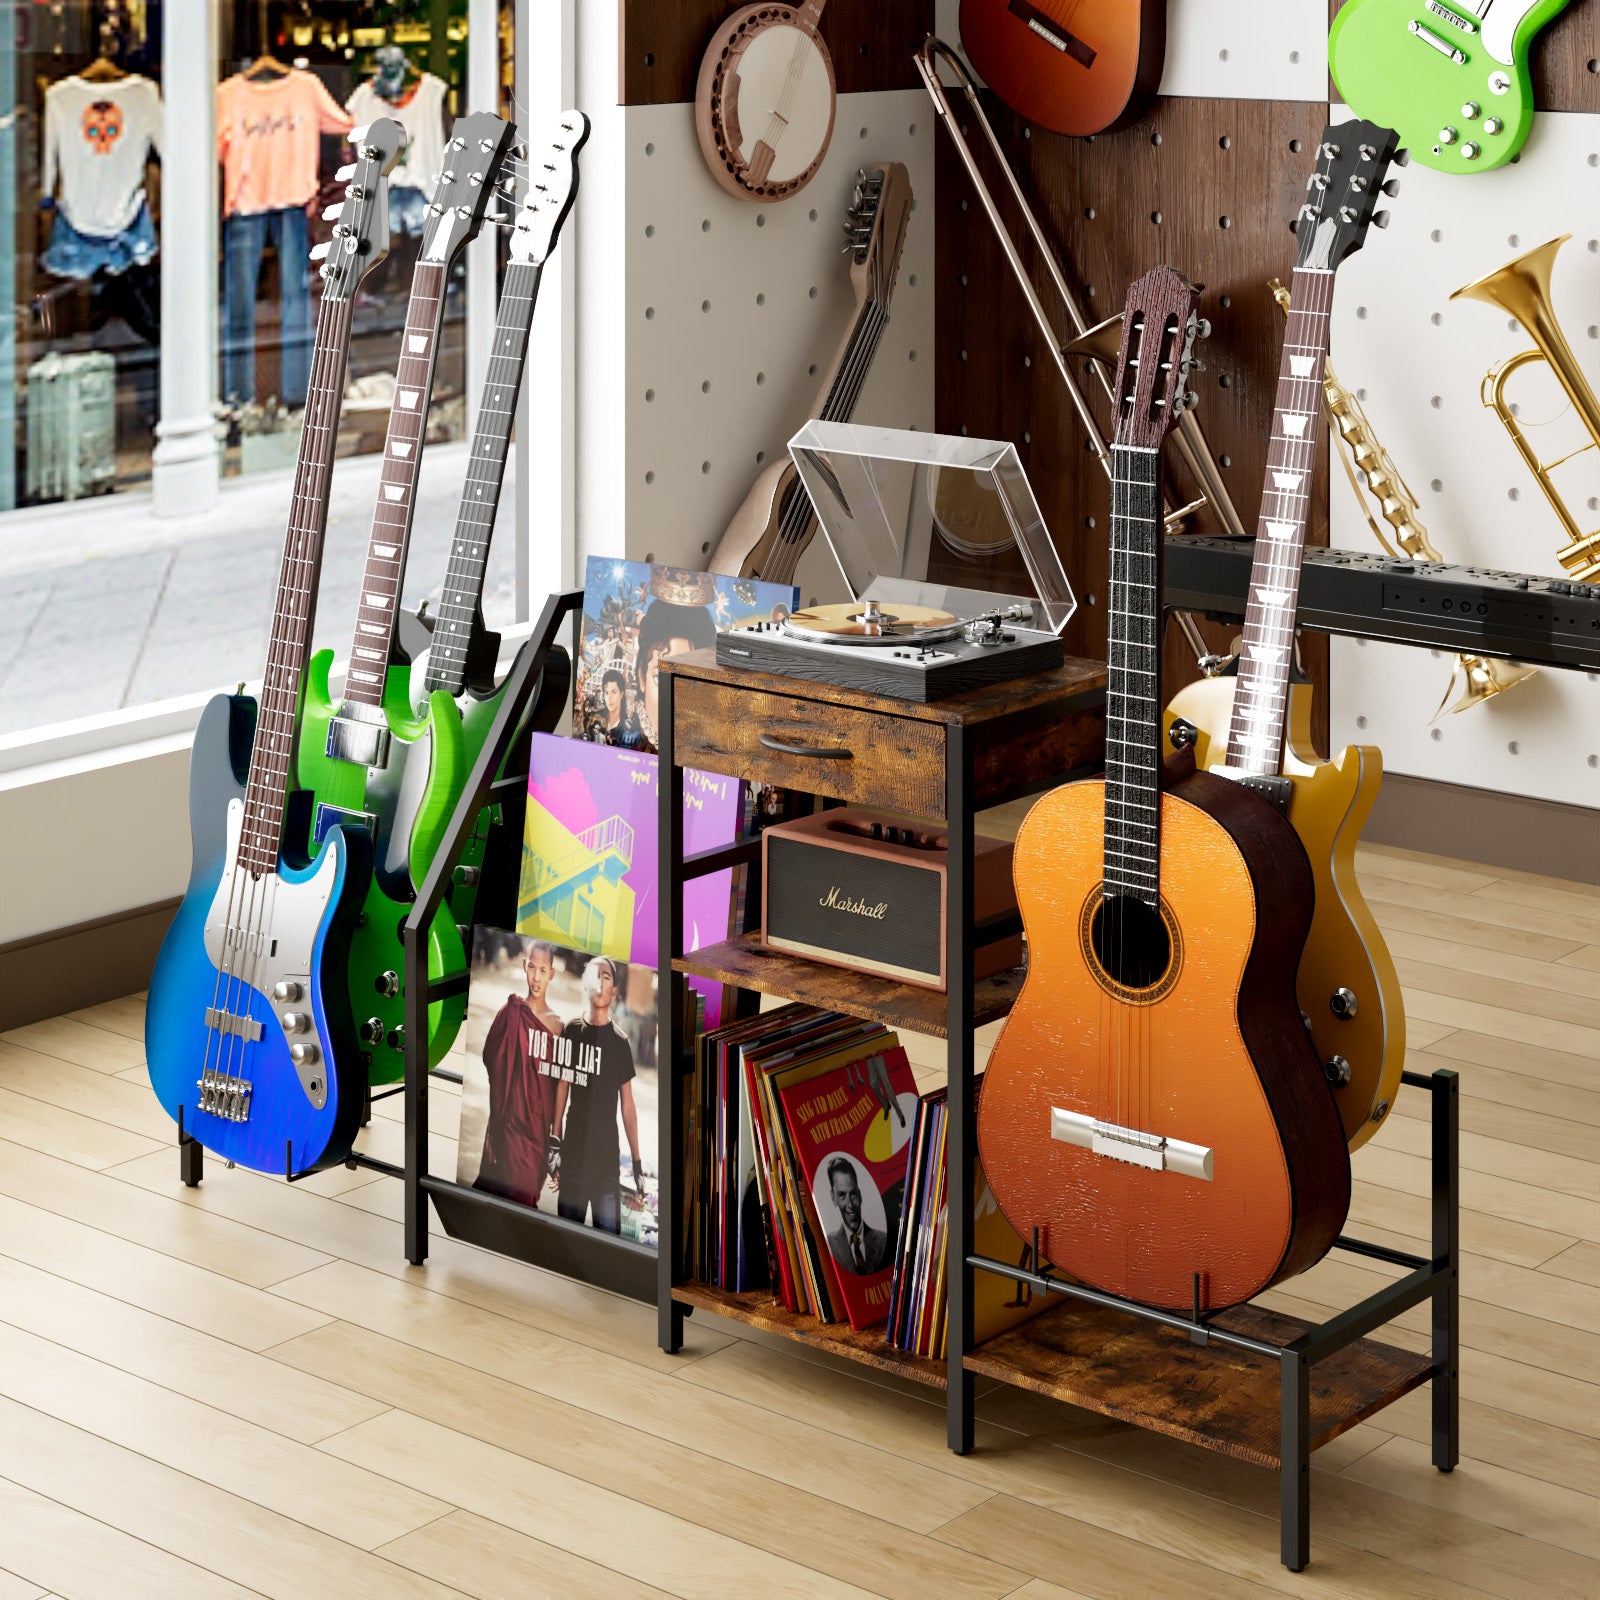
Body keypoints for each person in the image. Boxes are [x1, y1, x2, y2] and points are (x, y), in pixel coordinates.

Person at [552, 956, 643, 1234]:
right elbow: (562, 1088)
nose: (600, 982)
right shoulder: (571, 1031)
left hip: (606, 1167)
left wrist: (637, 1165)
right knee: (568, 1240)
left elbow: (628, 1107)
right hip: (573, 1162)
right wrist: (554, 1142)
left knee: (608, 1244)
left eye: (607, 977)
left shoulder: (620, 1042)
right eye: (595, 976)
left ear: (614, 991)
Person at [474, 941, 563, 1209]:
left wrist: (556, 1139)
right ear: (525, 966)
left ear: (552, 973)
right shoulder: (511, 1011)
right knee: (505, 1192)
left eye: (543, 970)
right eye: (532, 967)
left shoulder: (557, 1025)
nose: (536, 977)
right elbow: (492, 1059)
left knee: (525, 1193)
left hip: (537, 1126)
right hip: (509, 1119)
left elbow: (560, 1084)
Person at [823, 1155, 886, 1275]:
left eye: (853, 1194)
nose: (850, 1204)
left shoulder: (883, 1240)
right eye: (842, 1195)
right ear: (833, 1197)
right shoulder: (828, 1246)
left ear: (860, 1195)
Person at [598, 666, 644, 749]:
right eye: (606, 693)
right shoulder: (596, 719)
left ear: (621, 694)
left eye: (614, 692)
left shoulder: (629, 729)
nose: (609, 698)